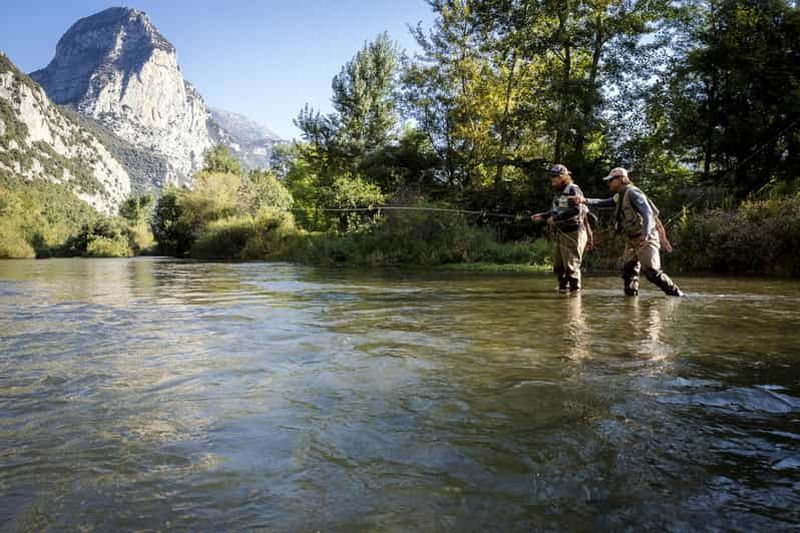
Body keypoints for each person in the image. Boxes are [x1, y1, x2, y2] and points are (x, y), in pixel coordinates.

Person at [574, 167, 684, 297]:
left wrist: (647, 232)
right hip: (632, 239)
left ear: (621, 179)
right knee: (628, 271)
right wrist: (585, 200)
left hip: (645, 238)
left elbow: (647, 212)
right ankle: (631, 302)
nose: (608, 183)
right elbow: (606, 202)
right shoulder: (620, 195)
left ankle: (677, 295)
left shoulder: (633, 192)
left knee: (652, 272)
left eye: (611, 180)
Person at [531, 164, 589, 293]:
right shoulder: (559, 193)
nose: (552, 179)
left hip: (574, 233)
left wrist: (556, 219)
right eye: (551, 176)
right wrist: (542, 216)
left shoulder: (573, 189)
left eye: (555, 177)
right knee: (559, 267)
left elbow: (576, 209)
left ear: (564, 177)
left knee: (571, 267)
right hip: (562, 234)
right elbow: (556, 211)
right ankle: (563, 293)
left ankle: (575, 296)